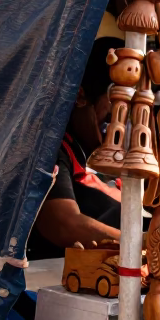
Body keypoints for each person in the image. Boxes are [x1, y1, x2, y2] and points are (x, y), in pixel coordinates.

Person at [27, 37, 124, 259]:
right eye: (115, 101)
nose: (122, 118)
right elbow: (63, 224)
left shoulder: (113, 157)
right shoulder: (51, 151)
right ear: (80, 96)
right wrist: (139, 245)